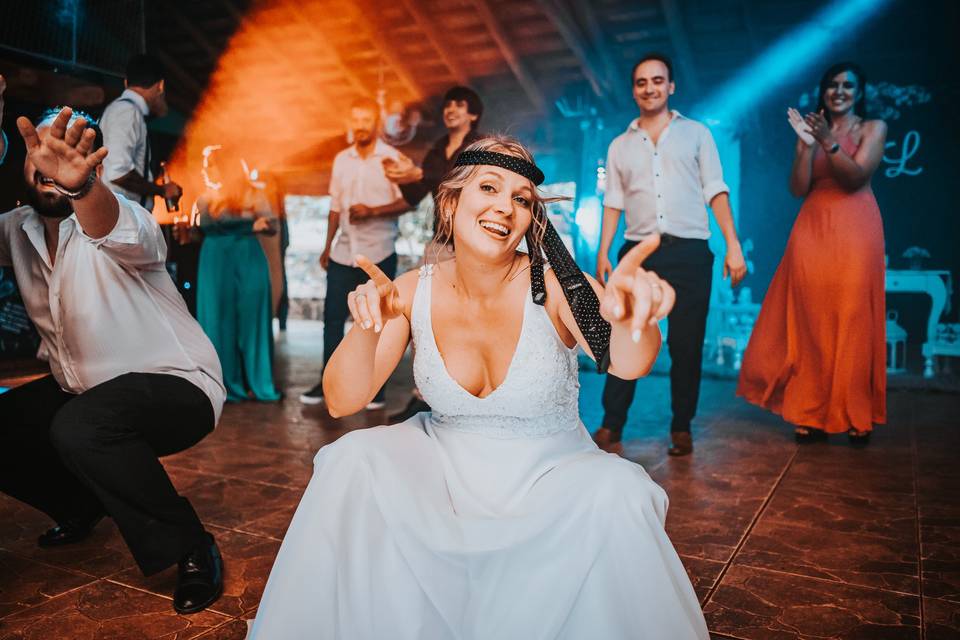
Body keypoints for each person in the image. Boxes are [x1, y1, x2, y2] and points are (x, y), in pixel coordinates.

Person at [250, 136, 709, 639]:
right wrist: (366, 323)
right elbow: (342, 401)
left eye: (520, 198)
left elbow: (627, 364)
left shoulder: (556, 284)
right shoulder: (409, 288)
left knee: (620, 491)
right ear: (451, 202)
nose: (504, 208)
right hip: (443, 468)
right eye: (489, 187)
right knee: (352, 458)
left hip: (550, 472)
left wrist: (634, 318)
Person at [0, 107, 225, 614]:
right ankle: (81, 504)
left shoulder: (123, 217)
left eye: (72, 154)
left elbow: (114, 226)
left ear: (92, 168)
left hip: (178, 385)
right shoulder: (16, 228)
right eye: (44, 153)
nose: (53, 164)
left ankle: (191, 545)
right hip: (85, 391)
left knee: (81, 427)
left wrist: (81, 190)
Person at [592, 53, 747, 457]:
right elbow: (613, 201)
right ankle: (611, 424)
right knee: (624, 335)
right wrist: (605, 252)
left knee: (686, 342)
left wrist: (732, 244)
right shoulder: (619, 145)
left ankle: (681, 426)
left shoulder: (697, 134)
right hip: (637, 254)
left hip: (691, 252)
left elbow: (716, 189)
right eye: (641, 82)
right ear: (634, 90)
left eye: (657, 80)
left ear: (671, 86)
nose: (650, 88)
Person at [737, 62, 887, 445]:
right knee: (811, 320)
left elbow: (855, 177)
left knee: (851, 317)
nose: (839, 91)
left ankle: (855, 414)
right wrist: (805, 144)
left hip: (856, 227)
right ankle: (810, 412)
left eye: (848, 85)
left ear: (859, 91)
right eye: (832, 85)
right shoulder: (811, 132)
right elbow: (798, 187)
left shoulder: (873, 128)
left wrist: (826, 142)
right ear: (823, 92)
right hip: (812, 228)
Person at [299, 97, 410, 409]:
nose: (360, 126)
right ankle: (326, 383)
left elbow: (408, 202)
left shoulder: (391, 158)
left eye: (366, 120)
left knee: (377, 322)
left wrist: (373, 211)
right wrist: (326, 245)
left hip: (379, 253)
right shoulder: (341, 160)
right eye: (355, 120)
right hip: (343, 252)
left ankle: (377, 389)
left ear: (375, 123)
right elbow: (335, 207)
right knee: (332, 320)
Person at [383, 85, 485, 422]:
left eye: (459, 105)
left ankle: (468, 395)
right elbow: (415, 193)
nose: (451, 110)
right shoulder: (437, 148)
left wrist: (422, 174)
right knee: (427, 319)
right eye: (447, 104)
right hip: (440, 243)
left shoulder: (482, 147)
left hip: (476, 247)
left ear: (473, 114)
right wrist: (398, 175)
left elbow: (470, 186)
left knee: (468, 320)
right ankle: (422, 394)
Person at [195, 145, 281, 403]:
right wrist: (248, 224)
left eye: (213, 165)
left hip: (248, 257)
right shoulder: (206, 196)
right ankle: (224, 385)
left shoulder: (254, 193)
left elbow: (272, 226)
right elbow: (208, 224)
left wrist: (256, 225)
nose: (208, 171)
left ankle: (259, 383)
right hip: (216, 259)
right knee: (217, 321)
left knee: (254, 320)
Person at [99, 54, 182, 211]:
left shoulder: (124, 110)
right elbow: (118, 173)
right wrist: (162, 190)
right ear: (161, 86)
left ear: (125, 83)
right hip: (122, 220)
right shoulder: (126, 112)